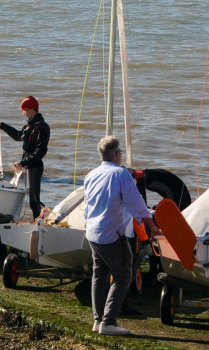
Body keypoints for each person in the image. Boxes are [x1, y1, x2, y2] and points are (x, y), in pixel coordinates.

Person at [83, 135, 161, 336]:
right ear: (117, 155)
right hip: (111, 234)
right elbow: (138, 206)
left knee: (99, 276)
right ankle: (108, 322)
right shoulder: (121, 174)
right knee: (123, 275)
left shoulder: (91, 175)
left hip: (92, 232)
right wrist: (153, 227)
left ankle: (98, 320)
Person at [0, 96, 50, 219]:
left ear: (31, 109)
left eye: (25, 109)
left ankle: (39, 222)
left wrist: (23, 162)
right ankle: (40, 218)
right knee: (32, 196)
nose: (23, 112)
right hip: (29, 166)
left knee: (34, 199)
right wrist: (1, 126)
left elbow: (41, 151)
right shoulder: (30, 125)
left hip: (35, 166)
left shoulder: (41, 126)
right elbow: (18, 136)